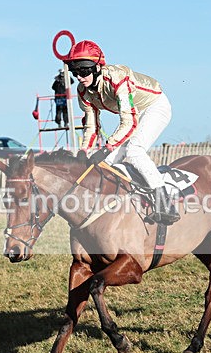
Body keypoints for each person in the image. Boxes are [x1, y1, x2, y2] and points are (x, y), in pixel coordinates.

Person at [65, 39, 179, 225]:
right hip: (133, 115)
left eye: (84, 71)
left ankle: (165, 203)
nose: (79, 77)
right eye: (75, 72)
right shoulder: (83, 92)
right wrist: (84, 153)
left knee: (134, 151)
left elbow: (129, 121)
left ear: (97, 67)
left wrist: (107, 147)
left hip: (154, 107)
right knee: (107, 164)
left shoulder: (117, 78)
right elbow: (92, 127)